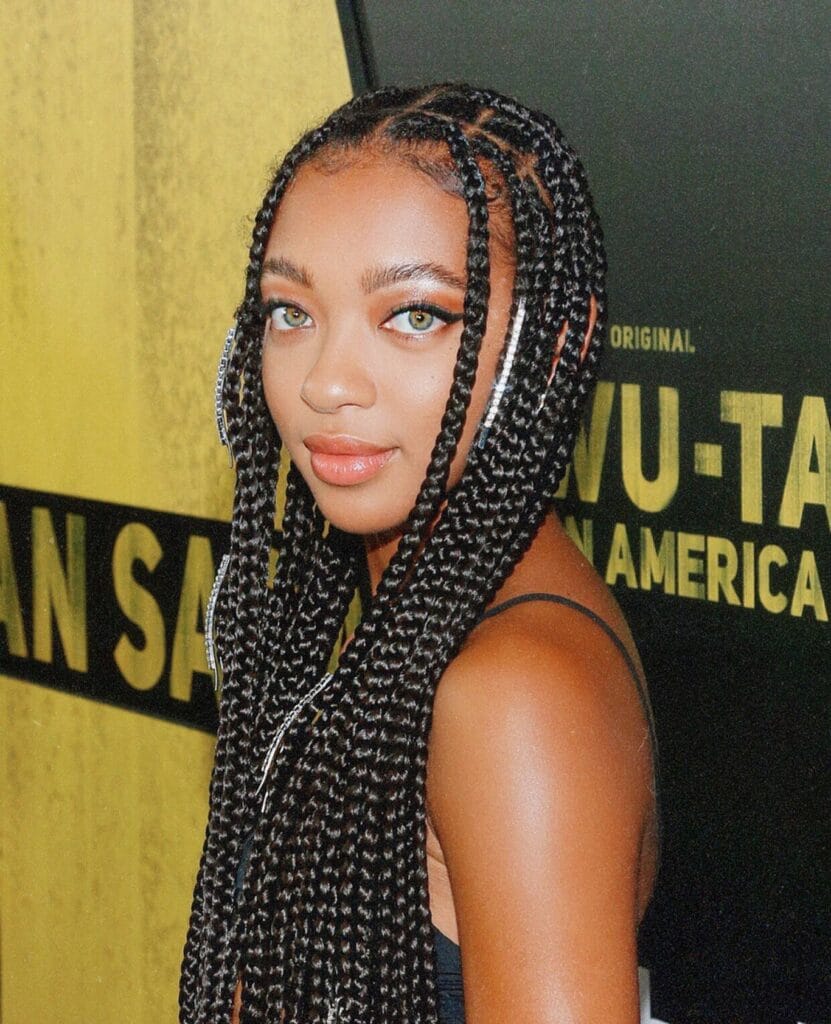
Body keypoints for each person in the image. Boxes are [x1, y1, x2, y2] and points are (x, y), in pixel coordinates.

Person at [180, 83, 660, 1024]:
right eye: (290, 311)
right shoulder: (433, 622)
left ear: (554, 341)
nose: (326, 382)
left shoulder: (512, 695)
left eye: (413, 315)